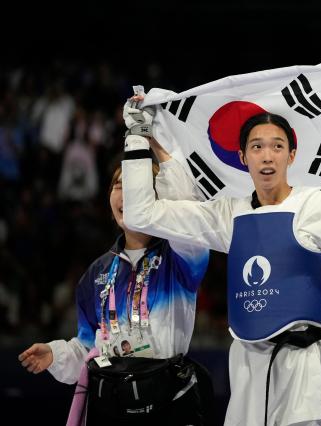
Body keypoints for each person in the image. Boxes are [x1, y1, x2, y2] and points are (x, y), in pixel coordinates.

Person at [121, 108, 321, 425]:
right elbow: (141, 215)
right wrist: (136, 136)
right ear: (243, 157)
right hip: (247, 368)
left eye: (277, 146)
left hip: (303, 368)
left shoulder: (317, 206)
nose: (267, 156)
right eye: (257, 147)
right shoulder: (228, 215)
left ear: (292, 154)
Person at [18, 105, 214, 425]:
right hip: (109, 405)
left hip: (167, 404)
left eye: (135, 186)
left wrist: (152, 142)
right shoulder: (95, 275)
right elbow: (87, 347)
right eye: (118, 185)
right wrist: (56, 355)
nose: (125, 194)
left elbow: (187, 212)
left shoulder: (181, 258)